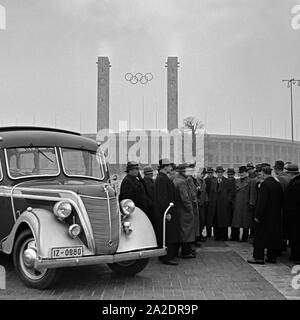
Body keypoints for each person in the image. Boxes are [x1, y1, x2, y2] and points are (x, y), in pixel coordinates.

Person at [248, 166, 283, 264]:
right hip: (275, 215)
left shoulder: (264, 184)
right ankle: (272, 257)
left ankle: (258, 257)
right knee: (272, 237)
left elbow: (261, 202)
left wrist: (257, 215)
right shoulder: (277, 184)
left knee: (259, 237)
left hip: (264, 216)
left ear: (263, 173)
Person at [154, 159, 180, 265]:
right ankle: (167, 257)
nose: (171, 168)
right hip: (166, 211)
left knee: (167, 233)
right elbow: (162, 197)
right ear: (165, 167)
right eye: (169, 166)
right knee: (168, 234)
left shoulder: (162, 178)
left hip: (167, 210)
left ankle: (165, 256)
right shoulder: (161, 179)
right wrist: (167, 212)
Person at [172, 163, 195, 258]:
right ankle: (186, 252)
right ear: (184, 171)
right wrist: (190, 210)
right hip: (184, 211)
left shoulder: (175, 179)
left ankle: (184, 250)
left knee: (182, 231)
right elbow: (185, 198)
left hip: (178, 209)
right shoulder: (182, 182)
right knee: (186, 232)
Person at [207, 166, 233, 241]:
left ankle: (224, 236)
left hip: (224, 205)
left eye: (221, 172)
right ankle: (217, 236)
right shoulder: (213, 181)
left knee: (224, 221)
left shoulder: (227, 181)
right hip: (215, 205)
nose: (219, 174)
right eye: (218, 172)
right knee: (216, 221)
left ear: (222, 173)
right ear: (216, 173)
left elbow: (231, 192)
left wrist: (227, 200)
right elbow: (211, 193)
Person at [231, 166, 256, 242]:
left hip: (246, 204)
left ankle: (244, 238)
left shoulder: (251, 181)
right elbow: (233, 193)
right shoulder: (236, 181)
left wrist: (251, 203)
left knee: (246, 223)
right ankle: (235, 237)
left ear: (247, 173)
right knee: (236, 222)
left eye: (243, 172)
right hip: (237, 204)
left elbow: (253, 193)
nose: (242, 174)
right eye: (240, 172)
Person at [283, 164, 300, 263]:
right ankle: (294, 255)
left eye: (287, 173)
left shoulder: (296, 183)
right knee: (294, 236)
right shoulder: (294, 182)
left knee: (296, 236)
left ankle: (297, 256)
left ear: (291, 173)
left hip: (295, 215)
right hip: (294, 214)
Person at [186, 163, 201, 247]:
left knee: (195, 223)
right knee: (193, 223)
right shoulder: (189, 179)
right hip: (193, 203)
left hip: (195, 203)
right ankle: (193, 240)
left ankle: (194, 239)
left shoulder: (193, 178)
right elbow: (191, 192)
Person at [195, 168, 208, 242]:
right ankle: (197, 236)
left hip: (203, 204)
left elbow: (205, 192)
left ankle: (200, 234)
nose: (203, 175)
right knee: (198, 221)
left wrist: (206, 200)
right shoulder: (195, 181)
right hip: (197, 205)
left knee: (202, 221)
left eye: (204, 174)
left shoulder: (203, 181)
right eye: (201, 174)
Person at [204, 167, 216, 238]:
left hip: (214, 202)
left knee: (214, 218)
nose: (210, 174)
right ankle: (208, 234)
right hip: (207, 202)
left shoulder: (216, 179)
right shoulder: (205, 180)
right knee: (208, 219)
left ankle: (215, 233)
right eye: (209, 173)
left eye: (211, 173)